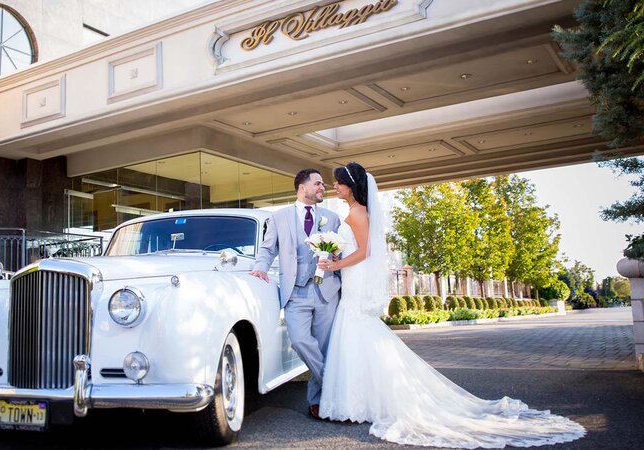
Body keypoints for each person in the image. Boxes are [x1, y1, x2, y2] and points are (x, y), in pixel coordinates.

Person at [315, 162, 586, 448]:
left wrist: (335, 264)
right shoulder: (355, 213)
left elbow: (364, 251)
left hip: (354, 280)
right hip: (353, 280)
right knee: (361, 337)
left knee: (359, 335)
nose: (335, 187)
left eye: (338, 183)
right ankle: (363, 401)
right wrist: (336, 261)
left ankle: (361, 402)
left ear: (351, 186)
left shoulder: (358, 214)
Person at [250, 168, 341, 420]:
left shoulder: (332, 218)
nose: (323, 187)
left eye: (323, 184)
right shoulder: (278, 217)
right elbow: (267, 250)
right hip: (296, 293)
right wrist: (260, 269)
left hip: (327, 292)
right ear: (302, 187)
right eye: (318, 183)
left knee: (325, 348)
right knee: (300, 341)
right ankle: (338, 384)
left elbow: (340, 255)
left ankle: (318, 401)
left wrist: (335, 257)